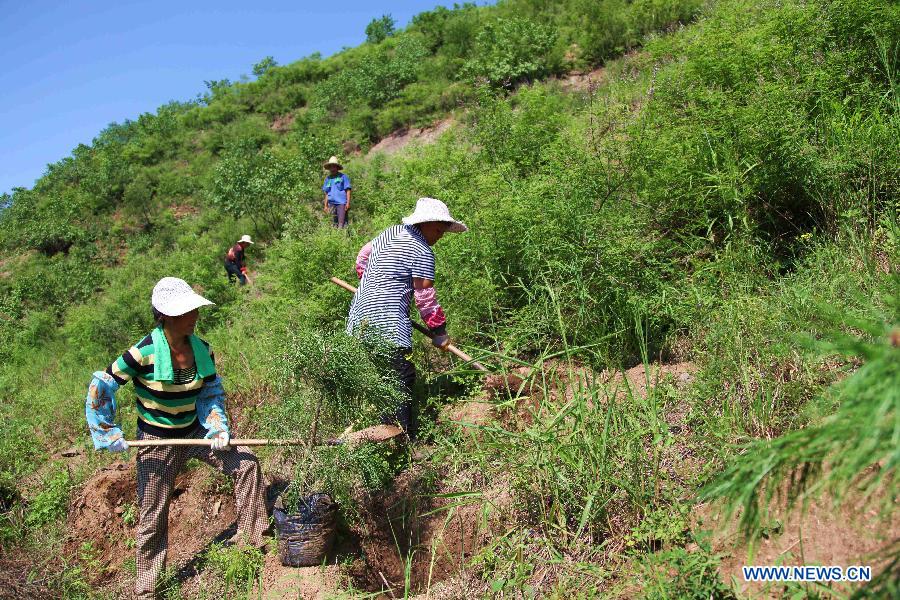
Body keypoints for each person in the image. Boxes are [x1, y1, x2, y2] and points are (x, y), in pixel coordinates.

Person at [84, 277, 268, 599]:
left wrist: (217, 426)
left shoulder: (202, 349)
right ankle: (147, 589)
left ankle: (252, 541)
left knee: (247, 464)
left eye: (194, 309)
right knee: (152, 512)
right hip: (156, 440)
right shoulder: (142, 353)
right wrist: (106, 430)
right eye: (187, 311)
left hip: (196, 431)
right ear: (167, 316)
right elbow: (103, 384)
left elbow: (210, 392)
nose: (194, 315)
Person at [348, 197, 467, 439]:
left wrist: (374, 285)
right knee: (401, 380)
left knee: (386, 380)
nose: (441, 235)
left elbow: (362, 257)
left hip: (359, 318)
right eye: (438, 229)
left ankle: (386, 439)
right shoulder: (422, 251)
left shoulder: (390, 233)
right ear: (426, 223)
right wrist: (439, 332)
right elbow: (425, 298)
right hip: (388, 324)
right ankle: (403, 443)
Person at [322, 156, 351, 228]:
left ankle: (343, 238)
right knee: (333, 224)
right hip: (331, 204)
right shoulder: (328, 179)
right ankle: (336, 238)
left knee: (342, 223)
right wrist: (325, 206)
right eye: (331, 167)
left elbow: (348, 190)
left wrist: (348, 203)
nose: (332, 169)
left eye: (334, 166)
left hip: (341, 203)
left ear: (337, 167)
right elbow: (326, 193)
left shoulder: (343, 177)